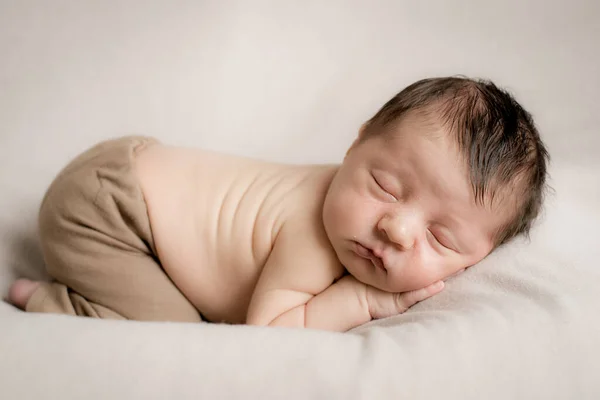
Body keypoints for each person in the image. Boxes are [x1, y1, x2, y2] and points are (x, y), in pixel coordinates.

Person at [7, 76, 550, 332]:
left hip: (133, 172)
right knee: (169, 330)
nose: (397, 229)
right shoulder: (313, 234)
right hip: (107, 214)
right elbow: (268, 334)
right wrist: (367, 304)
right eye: (385, 185)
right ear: (356, 143)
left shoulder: (359, 218)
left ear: (478, 258)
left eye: (442, 239)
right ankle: (55, 302)